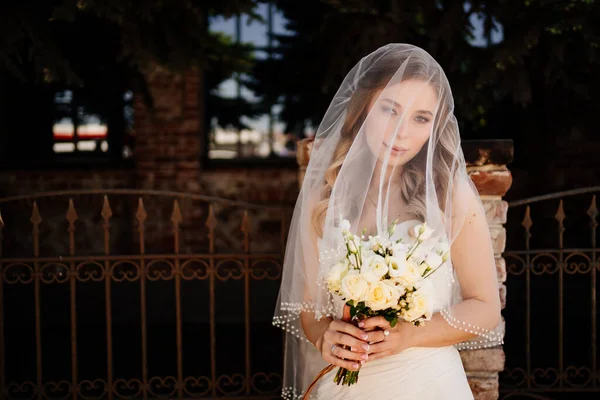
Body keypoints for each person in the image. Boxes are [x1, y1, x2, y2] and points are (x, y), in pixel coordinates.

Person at [273, 43, 503, 399]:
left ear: (434, 126)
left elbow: (486, 308)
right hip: (346, 388)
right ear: (364, 107)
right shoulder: (324, 196)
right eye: (390, 110)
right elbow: (309, 310)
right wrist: (325, 336)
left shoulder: (448, 195)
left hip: (428, 385)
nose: (401, 132)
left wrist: (411, 334)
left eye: (420, 118)